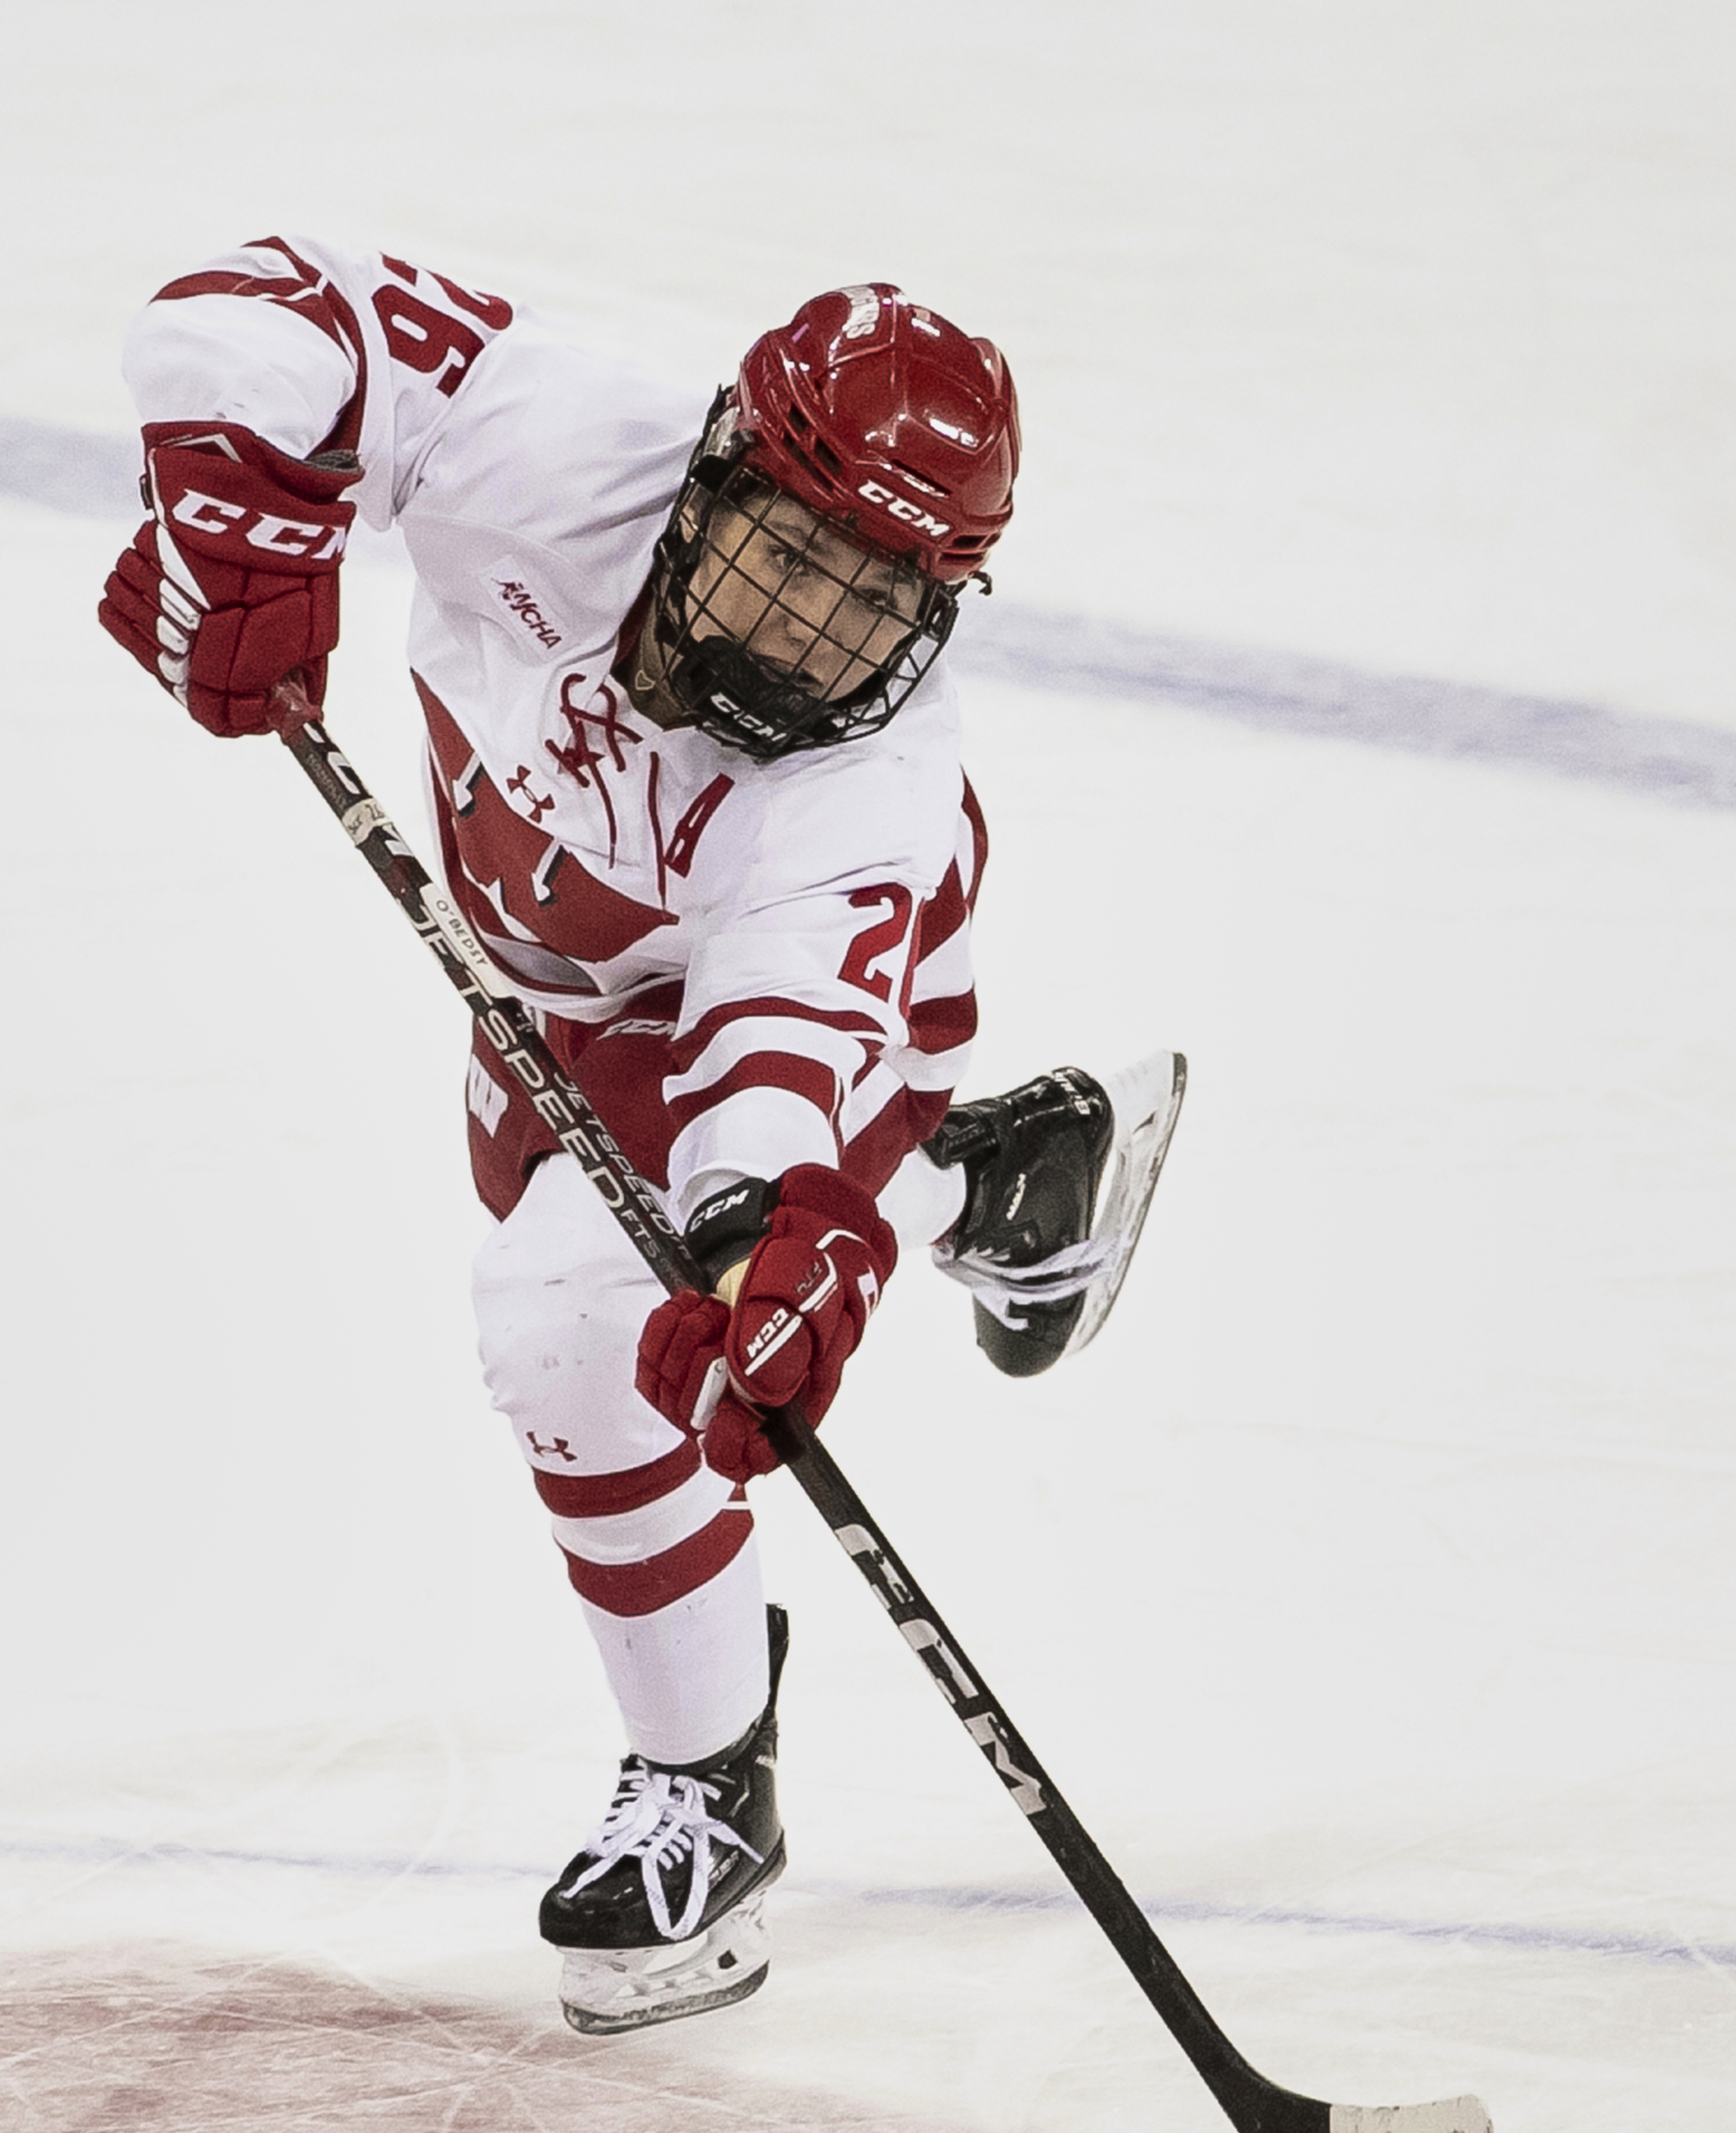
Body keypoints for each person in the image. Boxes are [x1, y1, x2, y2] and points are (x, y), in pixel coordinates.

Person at [100, 237, 1182, 2033]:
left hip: (812, 1009)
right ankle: (1013, 1184)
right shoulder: (554, 442)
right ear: (716, 470)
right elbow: (236, 321)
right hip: (562, 977)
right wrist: (245, 540)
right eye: (784, 560)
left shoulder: (863, 798)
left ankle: (709, 1783)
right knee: (585, 1256)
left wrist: (765, 1261)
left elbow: (758, 1085)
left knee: (567, 1320)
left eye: (868, 607)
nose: (800, 638)